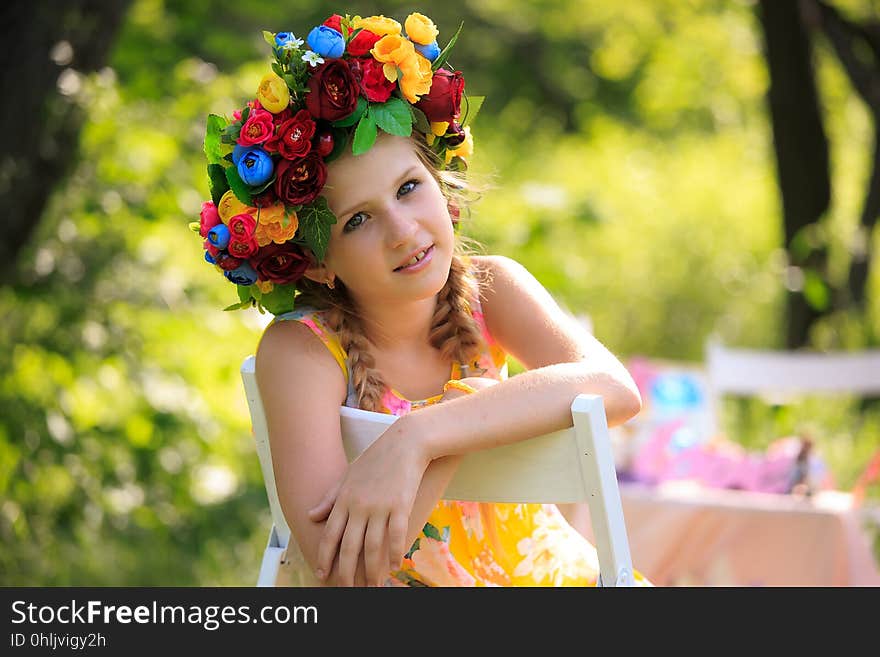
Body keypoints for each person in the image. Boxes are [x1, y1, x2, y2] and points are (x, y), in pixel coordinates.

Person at [193, 11, 650, 586]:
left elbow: (615, 390)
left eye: (409, 188)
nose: (404, 231)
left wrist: (423, 435)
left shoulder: (492, 290)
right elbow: (343, 577)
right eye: (358, 220)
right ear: (316, 262)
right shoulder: (304, 352)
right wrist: (459, 435)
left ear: (441, 184)